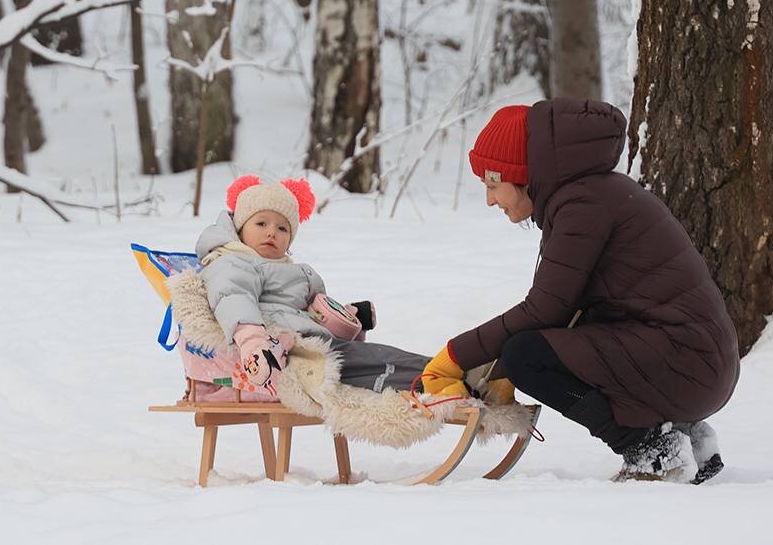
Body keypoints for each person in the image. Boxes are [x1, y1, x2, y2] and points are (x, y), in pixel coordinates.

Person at [422, 99, 740, 483]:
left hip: (686, 361)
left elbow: (545, 310)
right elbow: (572, 314)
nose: (490, 199)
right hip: (695, 361)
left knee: (528, 356)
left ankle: (650, 449)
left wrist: (457, 354)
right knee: (530, 350)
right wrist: (494, 369)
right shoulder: (590, 195)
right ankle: (685, 435)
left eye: (493, 183)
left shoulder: (582, 205)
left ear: (522, 174)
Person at [197, 175, 429, 394]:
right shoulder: (233, 262)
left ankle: (443, 370)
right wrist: (253, 344)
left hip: (318, 344)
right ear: (239, 228)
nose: (271, 233)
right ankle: (438, 377)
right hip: (289, 354)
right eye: (261, 223)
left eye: (282, 228)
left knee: (379, 356)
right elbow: (233, 298)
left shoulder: (293, 271)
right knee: (373, 363)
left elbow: (316, 314)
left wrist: (351, 318)